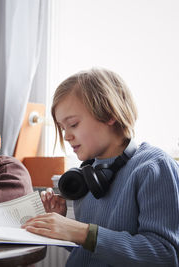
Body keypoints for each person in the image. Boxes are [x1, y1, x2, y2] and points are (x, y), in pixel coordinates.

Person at [22, 68, 179, 266]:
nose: (66, 136)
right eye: (63, 128)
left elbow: (165, 255)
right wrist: (62, 226)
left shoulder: (154, 167)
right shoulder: (87, 173)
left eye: (73, 124)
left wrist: (80, 231)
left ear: (108, 114)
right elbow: (95, 251)